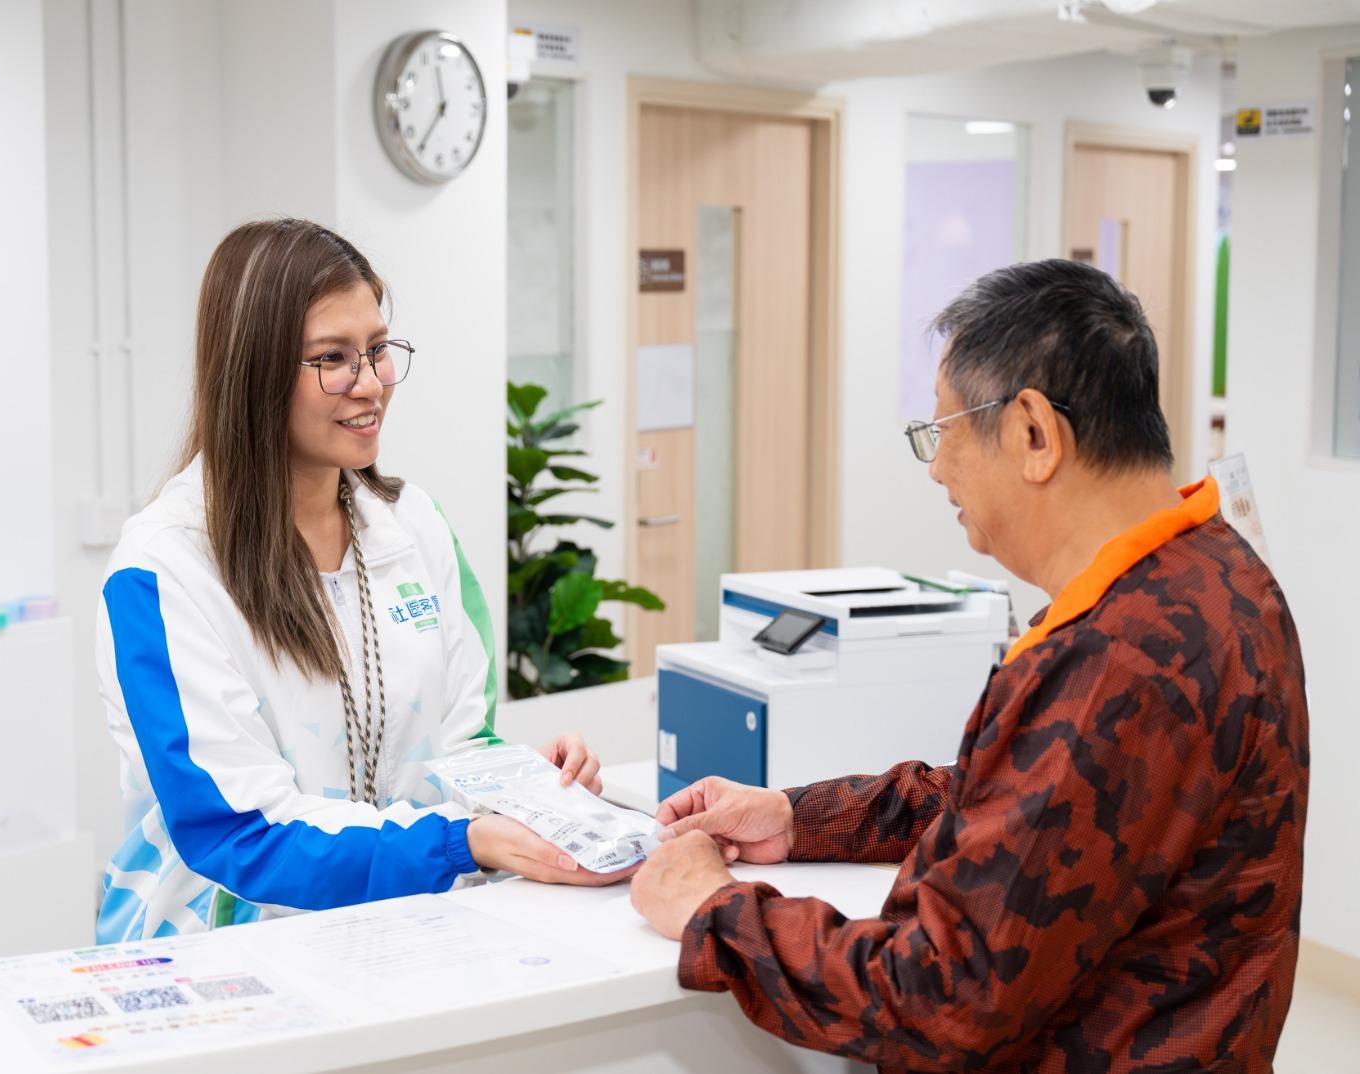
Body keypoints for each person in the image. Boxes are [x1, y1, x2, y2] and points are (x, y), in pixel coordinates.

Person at [630, 259, 1309, 1072]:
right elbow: (1013, 803)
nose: (937, 468)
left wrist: (718, 909)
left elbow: (942, 996)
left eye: (943, 432)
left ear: (1032, 433)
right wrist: (796, 816)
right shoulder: (1208, 570)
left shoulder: (1125, 657)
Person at [96, 218, 619, 943]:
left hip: (410, 928)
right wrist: (460, 843)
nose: (371, 383)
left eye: (378, 349)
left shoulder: (414, 528)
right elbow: (238, 834)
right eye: (333, 358)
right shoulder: (163, 569)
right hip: (222, 957)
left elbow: (460, 745)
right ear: (252, 372)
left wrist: (526, 787)